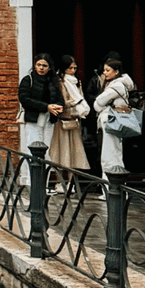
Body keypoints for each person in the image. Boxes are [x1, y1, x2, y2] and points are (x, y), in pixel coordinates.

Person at [17, 53, 62, 188]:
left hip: (49, 120)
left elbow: (60, 98)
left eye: (44, 66)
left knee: (46, 152)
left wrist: (58, 107)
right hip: (33, 119)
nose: (41, 68)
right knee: (33, 150)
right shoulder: (28, 79)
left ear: (49, 67)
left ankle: (43, 183)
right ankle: (32, 184)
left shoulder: (54, 81)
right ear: (35, 65)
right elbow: (24, 99)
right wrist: (46, 107)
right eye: (39, 65)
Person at [46, 56, 89, 194]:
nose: (73, 71)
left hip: (75, 119)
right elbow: (62, 100)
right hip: (63, 120)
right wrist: (74, 103)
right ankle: (60, 182)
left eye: (75, 68)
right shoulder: (60, 81)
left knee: (74, 153)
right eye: (70, 68)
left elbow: (80, 97)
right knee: (61, 152)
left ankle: (71, 182)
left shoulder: (77, 82)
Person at [91, 59, 136, 182]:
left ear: (116, 72)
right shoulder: (120, 84)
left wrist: (101, 108)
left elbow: (98, 103)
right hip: (117, 122)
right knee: (115, 154)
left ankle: (110, 189)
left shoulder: (116, 86)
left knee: (110, 155)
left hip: (112, 122)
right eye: (104, 70)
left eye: (107, 70)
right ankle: (114, 188)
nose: (104, 73)